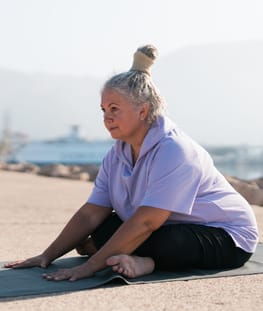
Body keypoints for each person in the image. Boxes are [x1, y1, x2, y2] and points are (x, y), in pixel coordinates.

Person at [5, 45, 258, 281]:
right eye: (103, 109)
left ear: (143, 111)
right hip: (165, 225)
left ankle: (147, 262)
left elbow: (147, 222)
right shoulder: (116, 155)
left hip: (225, 236)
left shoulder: (175, 150)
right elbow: (91, 212)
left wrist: (90, 266)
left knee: (169, 242)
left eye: (114, 108)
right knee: (104, 227)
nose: (107, 117)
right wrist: (46, 256)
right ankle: (125, 252)